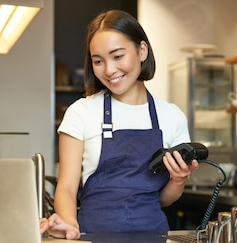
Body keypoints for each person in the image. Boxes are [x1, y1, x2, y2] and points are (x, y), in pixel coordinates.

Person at [40, 10, 199, 240]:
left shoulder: (172, 117)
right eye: (98, 61)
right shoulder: (81, 112)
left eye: (117, 56)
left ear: (141, 51)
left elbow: (162, 198)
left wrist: (178, 179)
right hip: (92, 237)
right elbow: (65, 188)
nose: (109, 70)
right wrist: (70, 225)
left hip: (153, 237)